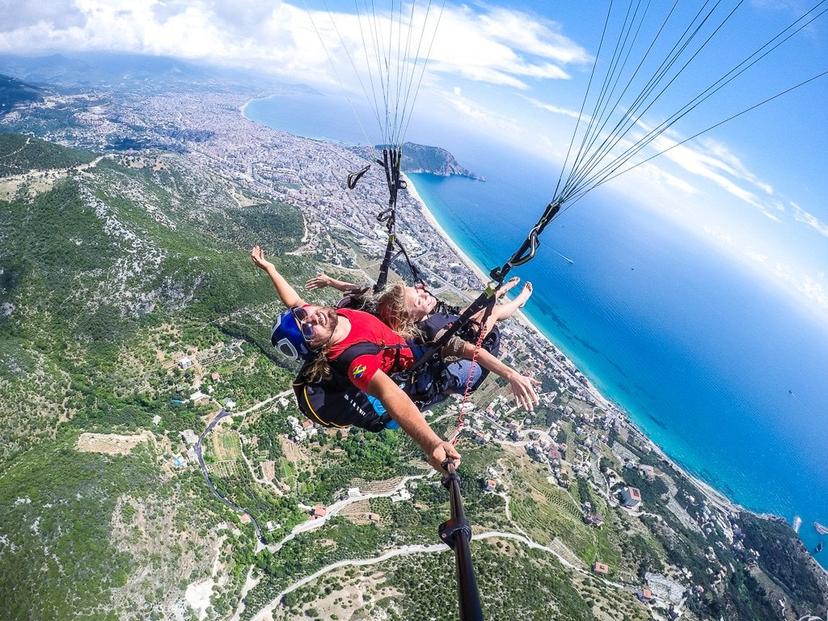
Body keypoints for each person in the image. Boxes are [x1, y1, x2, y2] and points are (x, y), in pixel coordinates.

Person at [251, 246, 539, 472]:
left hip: (416, 346)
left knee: (472, 318)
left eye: (305, 314)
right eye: (308, 327)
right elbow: (391, 396)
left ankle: (507, 302)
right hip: (433, 371)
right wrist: (432, 444)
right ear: (316, 345)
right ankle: (512, 304)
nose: (311, 316)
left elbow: (293, 301)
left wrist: (271, 269)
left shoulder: (330, 317)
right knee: (483, 326)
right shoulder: (353, 360)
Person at [306, 272, 533, 337]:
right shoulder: (426, 331)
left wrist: (330, 282)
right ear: (409, 316)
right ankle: (518, 300)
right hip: (452, 323)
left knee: (475, 307)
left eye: (417, 290)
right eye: (417, 296)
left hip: (442, 312)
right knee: (486, 313)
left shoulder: (379, 304)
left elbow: (358, 290)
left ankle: (499, 292)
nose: (422, 290)